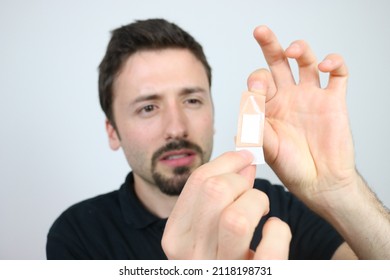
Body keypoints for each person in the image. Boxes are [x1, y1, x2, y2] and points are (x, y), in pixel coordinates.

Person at [46, 18, 390, 260]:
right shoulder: (78, 235)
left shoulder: (278, 207)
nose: (177, 127)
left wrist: (340, 190)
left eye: (192, 100)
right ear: (113, 132)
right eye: (148, 107)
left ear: (211, 111)